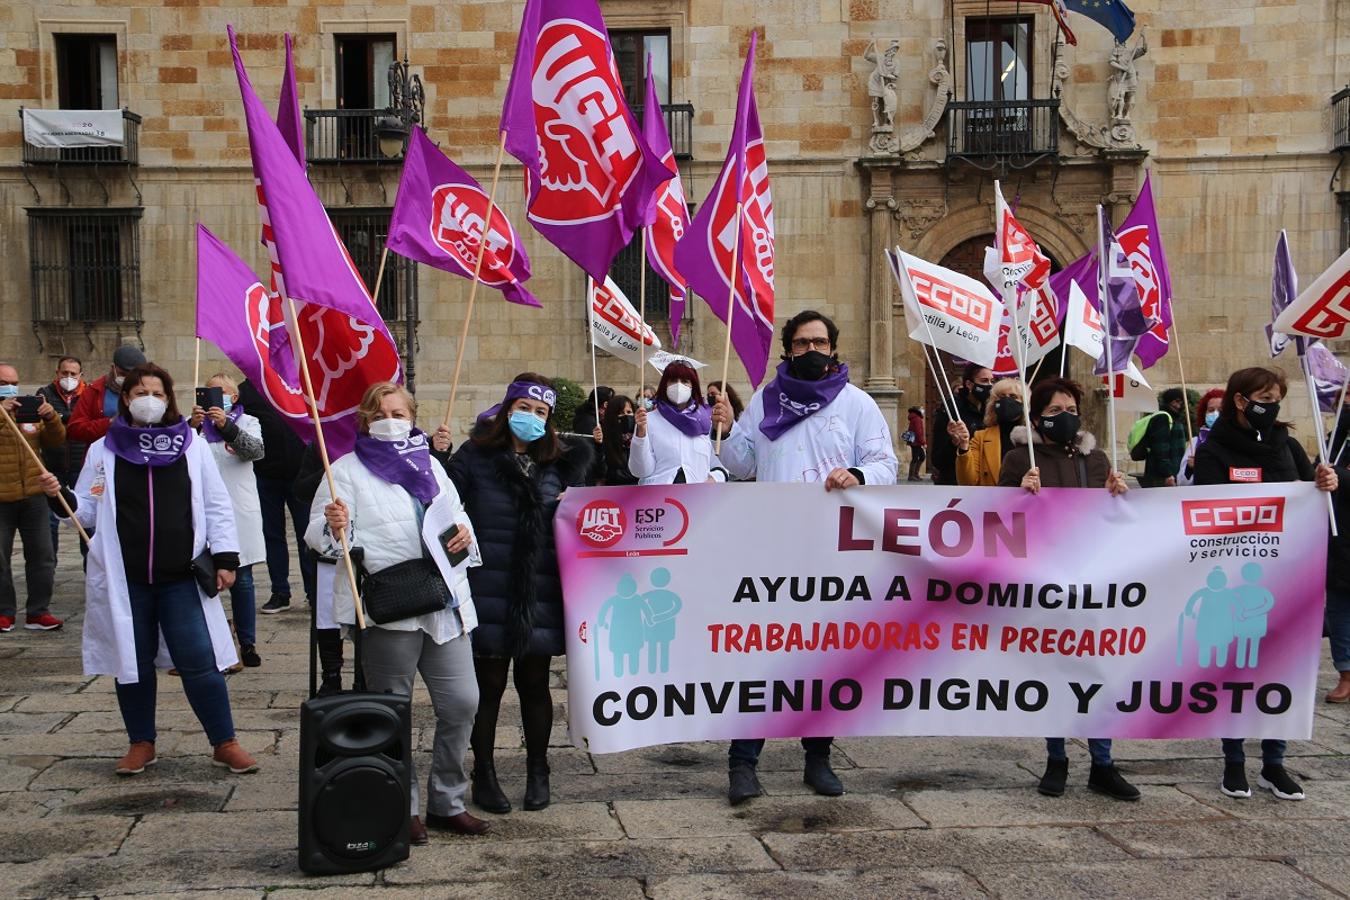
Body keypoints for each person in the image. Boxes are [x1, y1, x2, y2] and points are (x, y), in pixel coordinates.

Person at [712, 310, 897, 805]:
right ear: (788, 351)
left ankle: (818, 757)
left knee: (822, 654)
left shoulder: (858, 405)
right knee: (762, 655)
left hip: (831, 552)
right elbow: (739, 464)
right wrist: (727, 432)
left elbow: (886, 465)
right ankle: (744, 761)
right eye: (801, 343)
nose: (811, 351)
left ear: (833, 350)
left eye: (820, 342)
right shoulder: (765, 404)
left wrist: (857, 474)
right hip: (773, 550)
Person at [42, 363, 257, 776]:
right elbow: (86, 511)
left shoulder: (191, 445)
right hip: (128, 578)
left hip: (181, 577)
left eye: (158, 393)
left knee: (199, 659)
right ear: (125, 398)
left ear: (169, 399)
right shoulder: (103, 449)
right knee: (132, 661)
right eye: (140, 392)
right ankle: (141, 742)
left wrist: (227, 557)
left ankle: (224, 741)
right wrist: (61, 496)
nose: (149, 400)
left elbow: (215, 504)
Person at [307, 382, 486, 843]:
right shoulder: (344, 470)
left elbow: (457, 515)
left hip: (443, 603)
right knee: (393, 711)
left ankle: (448, 800)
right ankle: (400, 805)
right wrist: (334, 527)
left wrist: (465, 537)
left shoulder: (431, 464)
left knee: (464, 701)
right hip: (391, 607)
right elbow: (319, 538)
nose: (392, 418)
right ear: (367, 419)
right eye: (382, 412)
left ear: (413, 417)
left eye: (400, 412)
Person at [446, 375, 594, 816]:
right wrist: (436, 455)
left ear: (550, 421)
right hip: (488, 584)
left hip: (540, 588)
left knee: (535, 682)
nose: (531, 418)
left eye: (541, 412)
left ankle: (538, 770)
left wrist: (577, 502)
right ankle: (484, 773)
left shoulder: (561, 464)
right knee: (487, 688)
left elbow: (589, 519)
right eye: (524, 408)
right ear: (508, 407)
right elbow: (444, 500)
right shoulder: (473, 456)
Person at [1192, 366, 1339, 801]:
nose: (1272, 405)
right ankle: (1233, 762)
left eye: (1277, 397)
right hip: (1236, 574)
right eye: (1265, 397)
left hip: (1287, 575)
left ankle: (1275, 763)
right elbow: (1203, 505)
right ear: (1241, 400)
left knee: (1282, 667)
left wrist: (1324, 482)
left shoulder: (1286, 444)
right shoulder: (1215, 449)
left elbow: (1308, 490)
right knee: (1237, 671)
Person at [999, 377, 1138, 802]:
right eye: (1056, 411)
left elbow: (1119, 519)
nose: (1066, 417)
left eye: (1071, 408)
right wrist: (1019, 494)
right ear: (1037, 416)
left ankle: (1103, 763)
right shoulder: (1020, 458)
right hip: (1045, 581)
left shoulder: (1096, 459)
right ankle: (1055, 758)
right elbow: (997, 518)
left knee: (1098, 670)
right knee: (1053, 671)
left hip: (1092, 581)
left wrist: (1122, 493)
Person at [191, 374, 265, 670]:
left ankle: (247, 643)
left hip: (238, 511)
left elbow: (255, 451)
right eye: (209, 391)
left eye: (220, 392)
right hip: (202, 512)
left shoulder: (248, 422)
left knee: (242, 580)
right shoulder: (194, 428)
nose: (213, 397)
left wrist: (226, 426)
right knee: (201, 579)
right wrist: (191, 426)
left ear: (233, 398)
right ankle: (210, 641)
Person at [239, 379, 315, 615]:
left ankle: (313, 592)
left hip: (300, 474)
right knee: (272, 535)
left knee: (307, 536)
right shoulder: (248, 389)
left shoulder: (301, 383)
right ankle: (280, 592)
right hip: (265, 475)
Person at [0, 363, 66, 633]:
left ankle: (39, 611)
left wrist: (51, 418)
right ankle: (4, 612)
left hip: (34, 495)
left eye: (14, 381)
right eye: (5, 382)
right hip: (2, 497)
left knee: (42, 555)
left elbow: (56, 441)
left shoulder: (26, 410)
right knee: (1, 558)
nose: (10, 387)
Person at [630, 360, 727, 486]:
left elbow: (721, 465)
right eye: (673, 381)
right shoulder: (648, 420)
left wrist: (714, 479)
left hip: (698, 499)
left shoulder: (707, 420)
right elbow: (640, 471)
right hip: (658, 499)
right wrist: (640, 436)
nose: (678, 386)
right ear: (665, 385)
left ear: (693, 386)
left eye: (685, 381)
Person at [37, 356, 90, 556]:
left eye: (73, 374)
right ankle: (49, 569)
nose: (68, 377)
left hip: (81, 466)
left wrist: (60, 417)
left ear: (80, 375)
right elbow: (42, 421)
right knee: (50, 522)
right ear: (57, 374)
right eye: (64, 373)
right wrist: (72, 419)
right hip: (54, 465)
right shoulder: (44, 394)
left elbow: (86, 422)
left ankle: (91, 566)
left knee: (86, 521)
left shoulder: (89, 394)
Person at [66, 344, 146, 444]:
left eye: (132, 375)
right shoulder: (94, 390)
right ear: (113, 368)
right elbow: (75, 429)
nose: (127, 379)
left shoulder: (148, 390)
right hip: (103, 452)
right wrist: (110, 423)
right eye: (123, 374)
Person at [954, 379, 1026, 487]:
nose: (1006, 401)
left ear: (1024, 403)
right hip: (991, 502)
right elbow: (967, 482)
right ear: (993, 404)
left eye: (1013, 397)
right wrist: (964, 446)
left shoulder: (1035, 438)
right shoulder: (981, 437)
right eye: (1001, 397)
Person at [931, 363, 993, 485]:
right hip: (955, 484)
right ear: (969, 384)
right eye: (984, 381)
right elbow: (938, 459)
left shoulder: (992, 411)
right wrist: (954, 443)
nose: (990, 386)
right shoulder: (952, 410)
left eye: (992, 381)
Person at [1135, 388, 1189, 487]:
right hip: (1162, 477)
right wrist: (1168, 474)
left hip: (1173, 473)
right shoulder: (1162, 418)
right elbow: (1160, 449)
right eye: (1176, 401)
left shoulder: (1174, 418)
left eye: (1181, 402)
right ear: (1168, 401)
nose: (1178, 406)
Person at [1176, 388, 1224, 486]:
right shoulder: (1195, 443)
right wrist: (1190, 469)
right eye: (1211, 410)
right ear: (1204, 413)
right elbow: (1181, 483)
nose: (1215, 414)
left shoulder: (1238, 440)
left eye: (1221, 410)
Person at [598, 394, 638, 486]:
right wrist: (598, 446)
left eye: (629, 412)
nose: (626, 416)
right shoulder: (605, 438)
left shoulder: (641, 437)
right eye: (620, 413)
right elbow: (604, 473)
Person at [903, 405, 926, 482]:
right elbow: (918, 432)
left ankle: (914, 474)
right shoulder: (917, 419)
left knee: (920, 457)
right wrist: (923, 442)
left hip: (914, 442)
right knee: (916, 458)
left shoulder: (914, 418)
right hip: (916, 442)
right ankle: (912, 475)